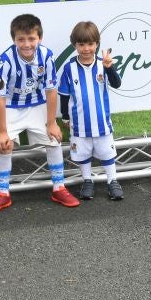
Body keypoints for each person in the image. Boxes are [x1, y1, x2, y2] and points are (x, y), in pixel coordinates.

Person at [0, 13, 81, 213]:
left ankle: (58, 187)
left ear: (40, 38)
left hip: (37, 104)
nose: (26, 44)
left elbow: (51, 90)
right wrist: (2, 131)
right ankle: (3, 193)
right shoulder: (5, 60)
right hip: (11, 106)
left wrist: (51, 122)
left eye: (31, 39)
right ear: (14, 40)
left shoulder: (47, 56)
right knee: (4, 144)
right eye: (21, 39)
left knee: (53, 139)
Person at [57, 21, 125, 201]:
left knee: (107, 153)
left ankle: (113, 181)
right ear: (75, 45)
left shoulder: (104, 64)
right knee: (82, 153)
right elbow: (64, 95)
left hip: (102, 122)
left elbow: (117, 83)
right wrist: (65, 117)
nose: (86, 48)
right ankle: (87, 180)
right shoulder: (69, 68)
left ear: (97, 44)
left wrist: (110, 68)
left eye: (90, 44)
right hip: (79, 123)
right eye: (81, 44)